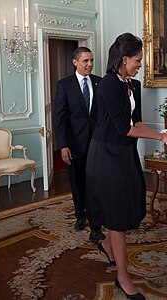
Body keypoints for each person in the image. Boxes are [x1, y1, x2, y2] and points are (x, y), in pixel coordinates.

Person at [86, 33, 167, 300]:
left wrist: (165, 132)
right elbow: (124, 128)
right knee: (118, 218)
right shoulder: (108, 85)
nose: (140, 65)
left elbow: (137, 122)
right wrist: (160, 137)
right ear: (124, 59)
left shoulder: (132, 85)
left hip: (124, 154)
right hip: (106, 155)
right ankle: (123, 277)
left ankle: (105, 243)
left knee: (128, 205)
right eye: (137, 60)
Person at [53, 46, 105, 243]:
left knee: (96, 183)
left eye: (92, 60)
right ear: (75, 62)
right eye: (86, 61)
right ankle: (80, 215)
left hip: (97, 144)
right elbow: (60, 118)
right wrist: (63, 145)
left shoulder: (100, 83)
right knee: (77, 182)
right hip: (74, 145)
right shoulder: (64, 85)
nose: (90, 64)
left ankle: (96, 224)